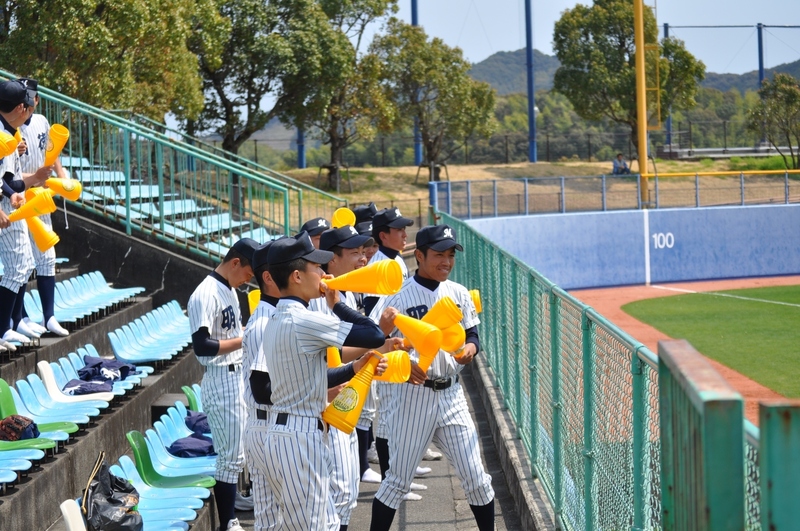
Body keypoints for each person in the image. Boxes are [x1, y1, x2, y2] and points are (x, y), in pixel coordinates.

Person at [369, 224, 495, 531]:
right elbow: (375, 345)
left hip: (452, 394)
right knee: (396, 483)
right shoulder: (397, 298)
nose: (447, 261)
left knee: (478, 479)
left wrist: (470, 348)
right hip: (414, 397)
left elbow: (472, 334)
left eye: (451, 255)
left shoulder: (459, 292)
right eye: (439, 254)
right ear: (420, 255)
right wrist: (399, 357)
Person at [262, 232, 387, 530]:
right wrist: (337, 304)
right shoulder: (303, 319)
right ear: (296, 276)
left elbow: (315, 378)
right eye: (315, 268)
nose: (322, 273)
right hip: (298, 436)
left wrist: (354, 367)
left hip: (291, 432)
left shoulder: (280, 316)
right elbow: (374, 334)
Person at [187, 238, 258, 531]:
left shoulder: (228, 288)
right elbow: (201, 345)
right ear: (235, 262)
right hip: (220, 378)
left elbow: (228, 330)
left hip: (236, 374)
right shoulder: (204, 293)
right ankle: (228, 522)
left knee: (241, 452)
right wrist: (245, 339)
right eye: (248, 273)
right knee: (230, 457)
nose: (248, 279)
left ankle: (236, 504)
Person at [0, 79, 53, 347]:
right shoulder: (3, 132)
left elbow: (7, 178)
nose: (30, 107)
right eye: (27, 103)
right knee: (16, 267)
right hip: (3, 210)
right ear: (21, 107)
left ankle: (13, 322)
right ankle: (4, 327)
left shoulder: (11, 132)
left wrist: (13, 193)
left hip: (10, 203)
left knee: (23, 265)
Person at [16, 78, 70, 338]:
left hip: (42, 195)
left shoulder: (41, 122)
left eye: (31, 99)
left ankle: (49, 316)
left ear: (36, 100)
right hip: (20, 196)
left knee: (47, 258)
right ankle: (21, 317)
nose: (28, 104)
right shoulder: (9, 125)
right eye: (24, 99)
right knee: (23, 261)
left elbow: (53, 152)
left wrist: (62, 176)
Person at [242, 240, 282, 531]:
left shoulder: (276, 315)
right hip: (267, 425)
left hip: (271, 425)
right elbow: (261, 389)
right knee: (274, 520)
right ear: (269, 277)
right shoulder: (266, 322)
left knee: (275, 520)